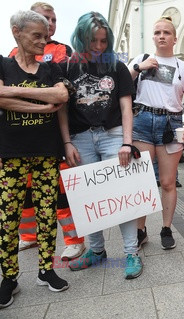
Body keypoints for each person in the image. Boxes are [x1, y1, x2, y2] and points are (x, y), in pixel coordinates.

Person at [58, 12, 142, 279]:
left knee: (122, 196)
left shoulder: (116, 67)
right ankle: (97, 251)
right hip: (80, 137)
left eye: (103, 41)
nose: (98, 46)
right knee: (87, 198)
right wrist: (67, 142)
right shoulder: (67, 68)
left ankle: (131, 253)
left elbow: (126, 107)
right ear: (80, 38)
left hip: (112, 134)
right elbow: (61, 109)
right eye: (92, 40)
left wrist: (127, 142)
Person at [0, 10, 70, 309]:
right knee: (8, 218)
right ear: (17, 32)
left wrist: (8, 94)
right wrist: (42, 107)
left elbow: (62, 96)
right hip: (11, 154)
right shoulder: (2, 64)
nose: (44, 41)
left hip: (46, 152)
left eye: (46, 36)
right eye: (36, 36)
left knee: (46, 213)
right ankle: (10, 277)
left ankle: (46, 269)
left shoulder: (51, 70)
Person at [8, 1, 85, 261]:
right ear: (21, 29)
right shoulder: (8, 56)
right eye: (43, 20)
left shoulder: (63, 51)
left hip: (52, 135)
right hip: (18, 138)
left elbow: (62, 93)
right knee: (26, 194)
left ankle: (74, 240)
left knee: (60, 193)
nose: (49, 25)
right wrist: (40, 98)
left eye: (52, 20)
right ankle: (28, 237)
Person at [128, 16, 184, 250]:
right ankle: (140, 231)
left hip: (171, 123)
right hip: (143, 121)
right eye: (157, 32)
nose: (161, 36)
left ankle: (166, 228)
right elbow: (122, 82)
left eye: (166, 32)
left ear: (174, 38)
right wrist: (139, 67)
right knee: (142, 181)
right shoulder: (141, 59)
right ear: (153, 37)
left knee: (167, 182)